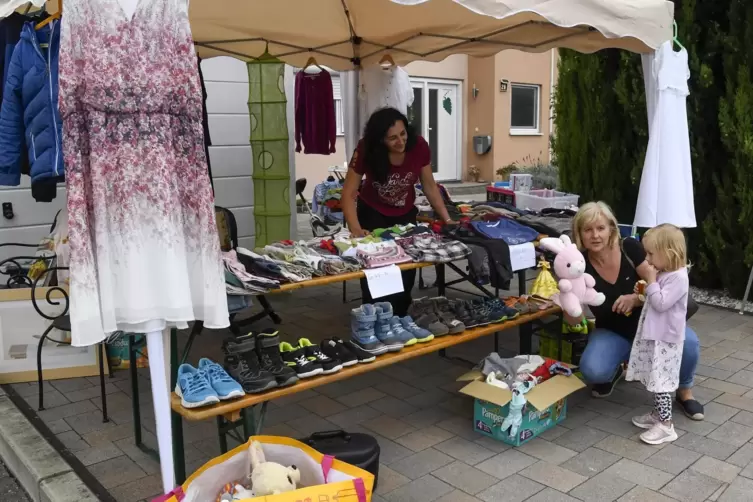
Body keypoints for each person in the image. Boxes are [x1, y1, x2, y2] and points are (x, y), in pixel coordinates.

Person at [570, 202, 704, 421]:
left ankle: (684, 391)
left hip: (655, 325)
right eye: (588, 229)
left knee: (688, 343)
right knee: (593, 370)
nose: (595, 235)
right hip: (612, 331)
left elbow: (657, 282)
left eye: (600, 228)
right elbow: (575, 320)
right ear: (580, 233)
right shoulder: (577, 265)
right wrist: (568, 301)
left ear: (611, 229)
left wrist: (635, 298)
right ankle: (615, 370)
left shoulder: (629, 248)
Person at [342, 107, 454, 316]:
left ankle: (401, 317)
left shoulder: (419, 146)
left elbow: (429, 185)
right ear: (379, 139)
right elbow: (349, 192)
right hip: (372, 212)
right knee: (376, 269)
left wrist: (446, 217)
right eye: (392, 138)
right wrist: (356, 229)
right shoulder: (365, 148)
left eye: (403, 134)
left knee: (407, 268)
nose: (400, 141)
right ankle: (374, 317)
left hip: (405, 213)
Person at [626, 224, 689, 444]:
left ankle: (666, 425)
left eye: (652, 253)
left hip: (666, 340)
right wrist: (644, 290)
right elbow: (653, 298)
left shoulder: (679, 278)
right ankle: (657, 415)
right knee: (655, 377)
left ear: (669, 252)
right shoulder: (665, 273)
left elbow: (661, 303)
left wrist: (651, 282)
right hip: (657, 336)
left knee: (661, 381)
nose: (648, 259)